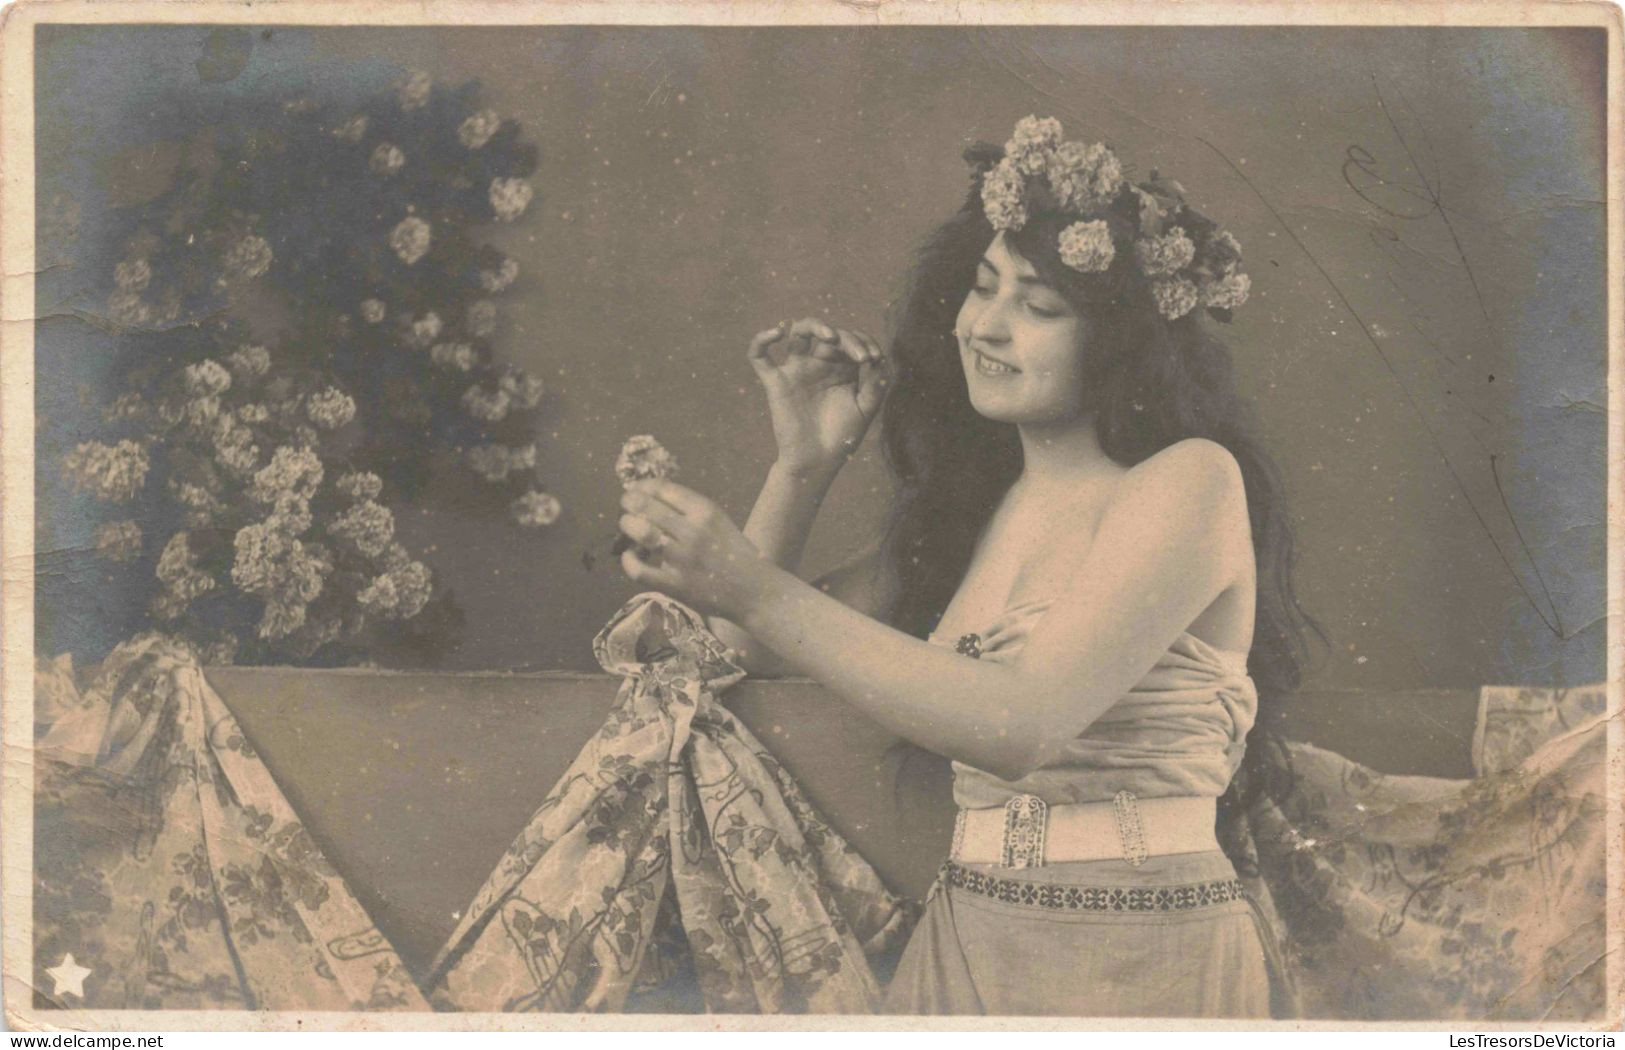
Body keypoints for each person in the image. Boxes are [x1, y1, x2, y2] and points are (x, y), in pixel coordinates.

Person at [613, 116, 1319, 1017]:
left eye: (1038, 306)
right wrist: (801, 469)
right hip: (970, 939)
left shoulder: (1187, 484)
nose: (984, 327)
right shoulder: (968, 522)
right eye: (982, 288)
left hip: (1146, 948)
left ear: (1121, 343)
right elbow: (738, 643)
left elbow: (1018, 725)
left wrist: (748, 581)